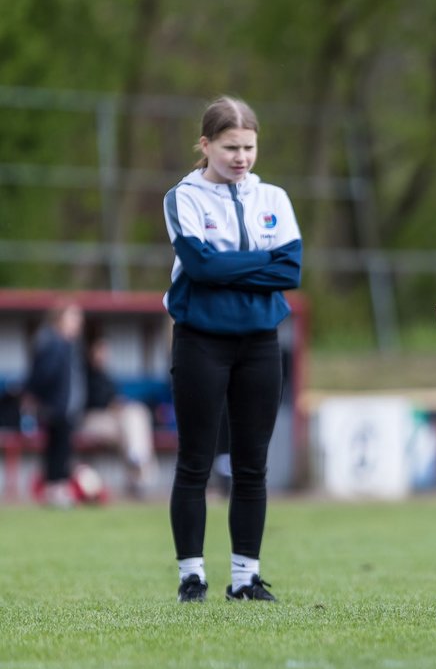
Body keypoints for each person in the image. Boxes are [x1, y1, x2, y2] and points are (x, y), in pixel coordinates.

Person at [163, 96, 303, 603]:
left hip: (261, 343)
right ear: (206, 145)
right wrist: (257, 266)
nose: (241, 157)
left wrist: (227, 267)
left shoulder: (275, 199)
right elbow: (198, 269)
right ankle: (191, 575)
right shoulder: (184, 197)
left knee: (251, 464)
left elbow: (291, 271)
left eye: (249, 147)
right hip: (201, 339)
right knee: (195, 461)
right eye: (230, 147)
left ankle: (245, 578)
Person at [23, 301, 85, 508]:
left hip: (68, 407)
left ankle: (58, 488)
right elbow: (41, 376)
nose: (78, 322)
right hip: (56, 407)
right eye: (73, 317)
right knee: (57, 448)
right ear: (60, 319)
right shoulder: (53, 343)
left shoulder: (69, 345)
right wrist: (39, 398)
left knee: (62, 447)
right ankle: (54, 489)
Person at [80, 336, 159, 498]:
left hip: (112, 421)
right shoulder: (83, 374)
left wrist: (117, 405)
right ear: (91, 353)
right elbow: (87, 402)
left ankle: (137, 459)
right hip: (91, 420)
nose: (103, 355)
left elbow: (115, 398)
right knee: (130, 427)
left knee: (137, 412)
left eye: (105, 352)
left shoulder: (106, 375)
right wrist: (111, 405)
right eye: (99, 351)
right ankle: (139, 473)